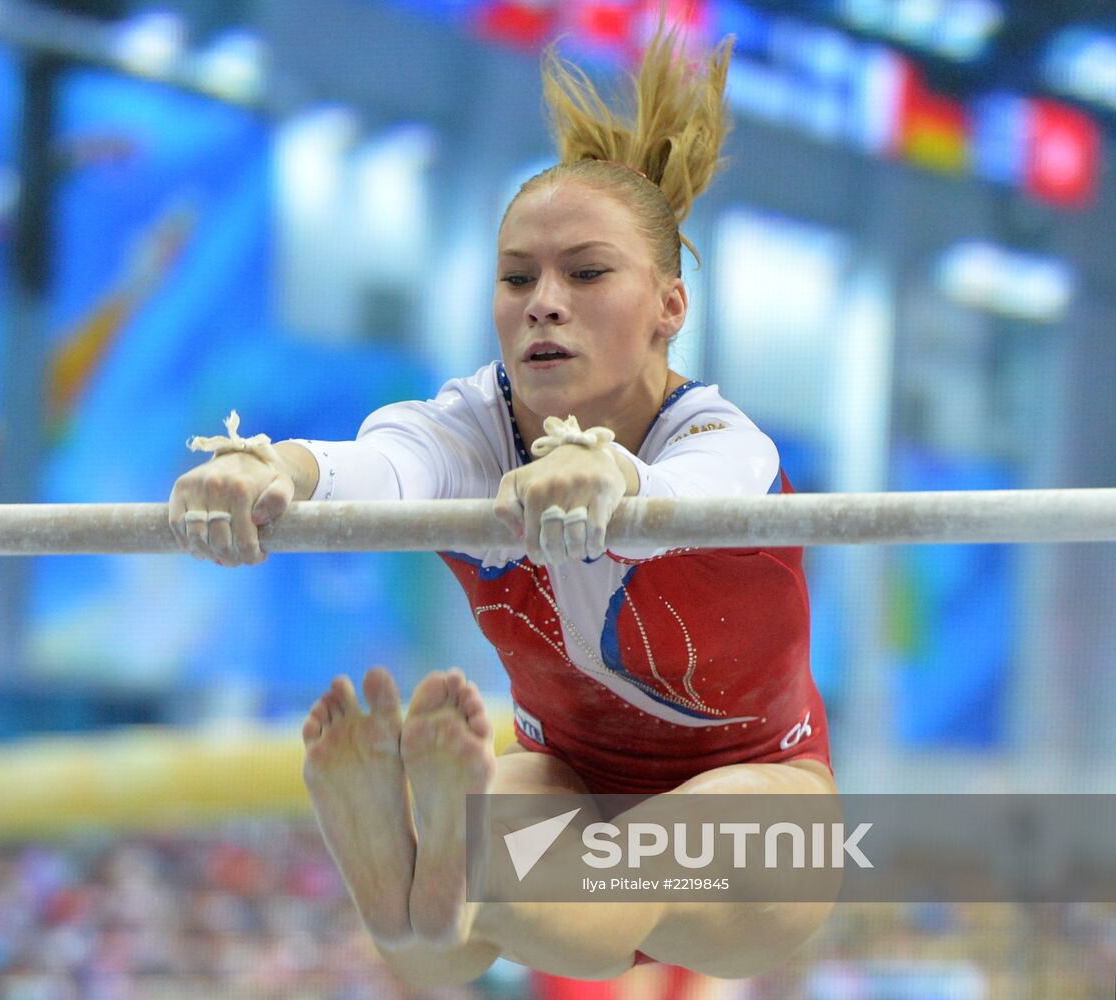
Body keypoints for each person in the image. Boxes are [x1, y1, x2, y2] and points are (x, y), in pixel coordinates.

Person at [168, 20, 835, 985]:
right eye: (517, 277)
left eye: (587, 273)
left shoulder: (722, 441)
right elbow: (379, 467)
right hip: (560, 770)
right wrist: (272, 474)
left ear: (669, 308)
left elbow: (685, 492)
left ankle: (436, 886)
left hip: (757, 784)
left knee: (614, 875)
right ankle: (426, 897)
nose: (543, 302)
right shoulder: (466, 432)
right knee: (451, 938)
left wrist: (613, 481)